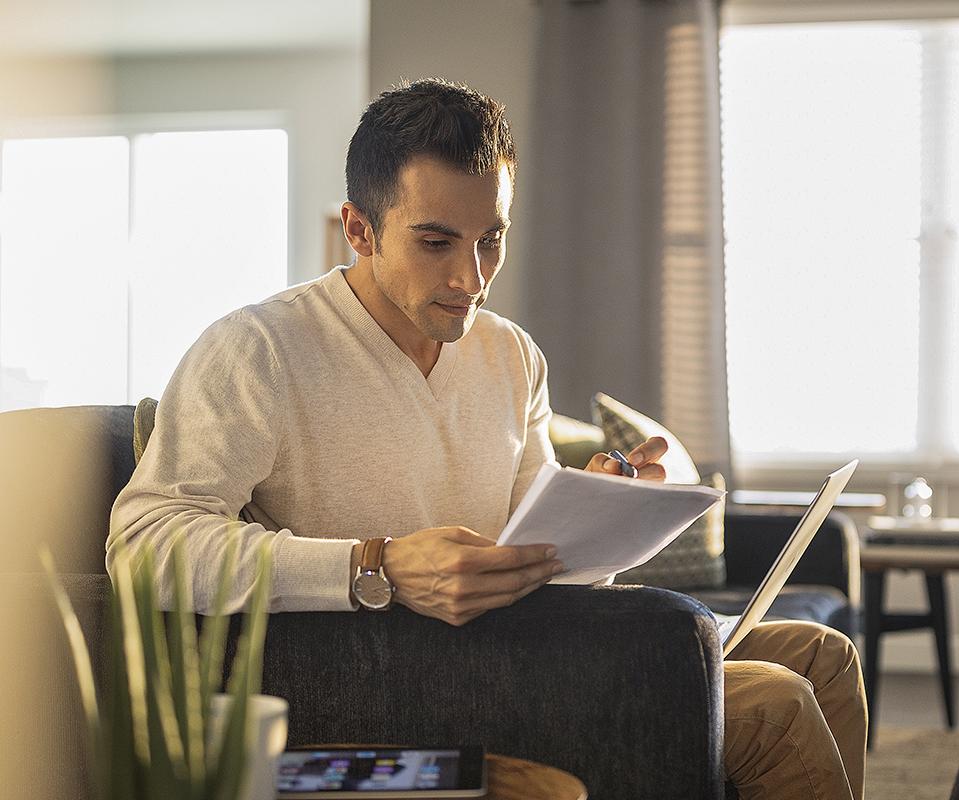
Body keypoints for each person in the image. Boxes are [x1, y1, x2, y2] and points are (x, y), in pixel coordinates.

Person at [107, 78, 866, 799]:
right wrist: (379, 566)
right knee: (771, 704)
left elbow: (530, 549)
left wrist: (598, 510)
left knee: (822, 654)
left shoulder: (509, 353)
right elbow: (144, 548)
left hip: (513, 644)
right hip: (386, 670)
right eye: (436, 242)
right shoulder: (259, 349)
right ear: (359, 228)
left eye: (490, 240)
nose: (472, 277)